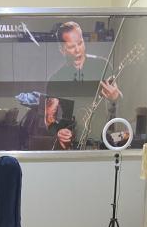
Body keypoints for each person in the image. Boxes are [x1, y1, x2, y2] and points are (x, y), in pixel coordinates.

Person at [46, 21, 121, 149]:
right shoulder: (56, 79)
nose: (77, 50)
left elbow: (118, 100)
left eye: (80, 43)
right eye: (71, 47)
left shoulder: (102, 66)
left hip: (100, 140)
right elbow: (49, 118)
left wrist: (115, 97)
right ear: (62, 50)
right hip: (71, 143)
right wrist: (58, 131)